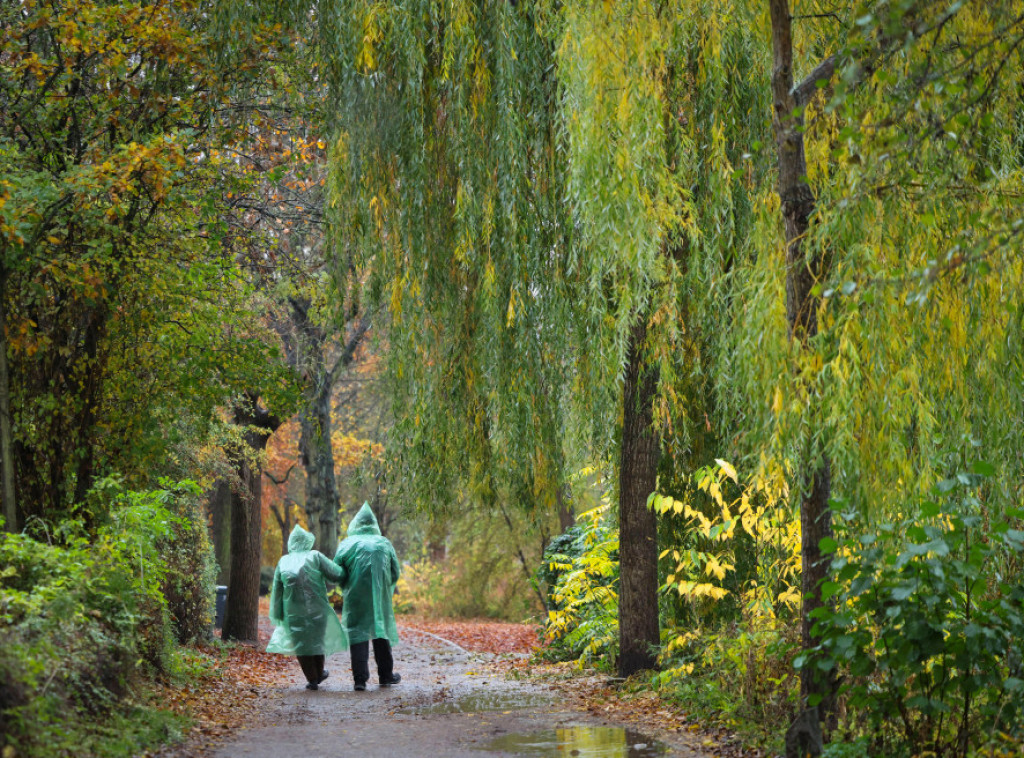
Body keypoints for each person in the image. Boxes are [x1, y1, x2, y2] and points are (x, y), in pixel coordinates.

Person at [266, 525, 348, 690]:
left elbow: (277, 591)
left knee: (301, 645)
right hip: (317, 610)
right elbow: (336, 574)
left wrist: (277, 613)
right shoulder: (315, 556)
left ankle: (313, 678)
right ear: (306, 541)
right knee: (317, 641)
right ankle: (317, 675)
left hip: (293, 612)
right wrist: (345, 568)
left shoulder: (283, 561)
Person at [335, 502, 401, 691]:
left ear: (355, 524)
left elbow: (336, 571)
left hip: (356, 595)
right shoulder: (384, 543)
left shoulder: (346, 544)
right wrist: (384, 587)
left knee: (358, 634)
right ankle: (386, 675)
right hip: (379, 595)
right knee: (380, 631)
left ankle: (360, 680)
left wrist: (346, 585)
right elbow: (395, 571)